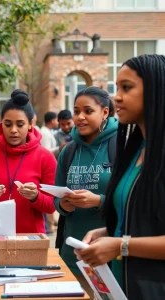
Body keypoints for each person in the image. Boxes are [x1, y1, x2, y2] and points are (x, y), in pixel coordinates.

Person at [75, 55, 165, 299]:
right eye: (117, 88)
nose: (117, 97)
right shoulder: (136, 149)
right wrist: (109, 232)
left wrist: (120, 245)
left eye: (127, 87)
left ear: (156, 90)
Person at [54, 86, 117, 298]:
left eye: (88, 111)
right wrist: (63, 204)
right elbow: (57, 201)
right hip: (73, 255)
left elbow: (133, 201)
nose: (80, 117)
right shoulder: (68, 150)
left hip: (110, 255)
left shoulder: (121, 146)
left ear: (105, 112)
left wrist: (98, 200)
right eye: (76, 111)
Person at [0, 89, 57, 233]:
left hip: (31, 238)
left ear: (30, 124)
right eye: (8, 124)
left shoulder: (45, 157)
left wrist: (35, 196)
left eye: (20, 124)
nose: (13, 130)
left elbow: (52, 206)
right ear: (1, 123)